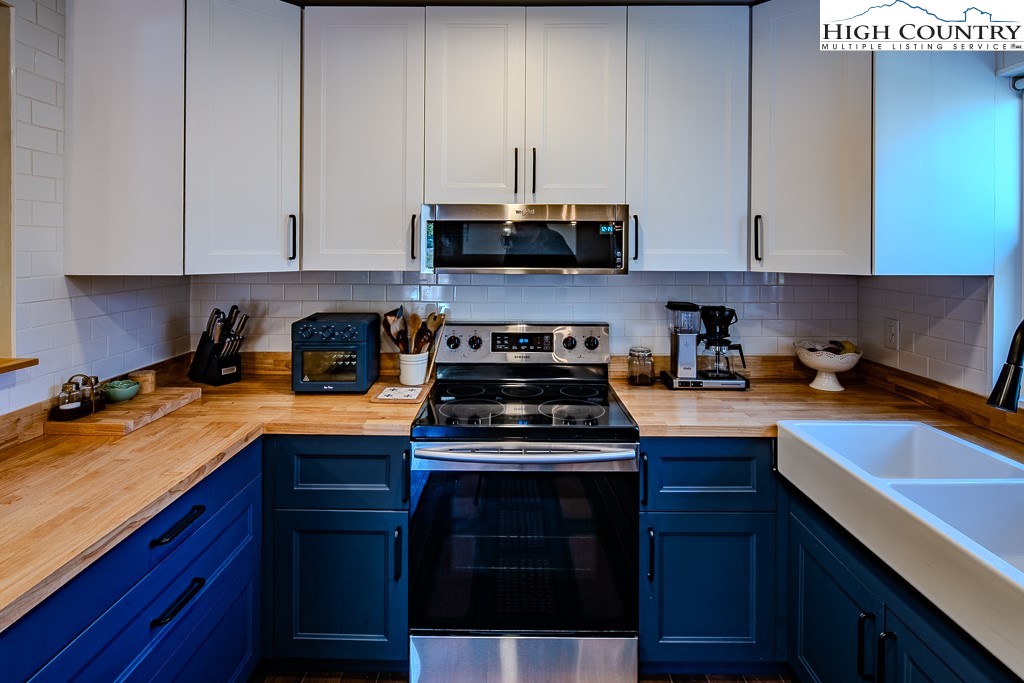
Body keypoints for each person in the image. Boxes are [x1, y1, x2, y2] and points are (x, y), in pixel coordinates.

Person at [502, 221, 577, 267]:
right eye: (516, 223)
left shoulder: (553, 238)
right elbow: (507, 269)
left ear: (535, 223)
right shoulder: (515, 242)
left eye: (523, 223)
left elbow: (571, 266)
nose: (518, 226)